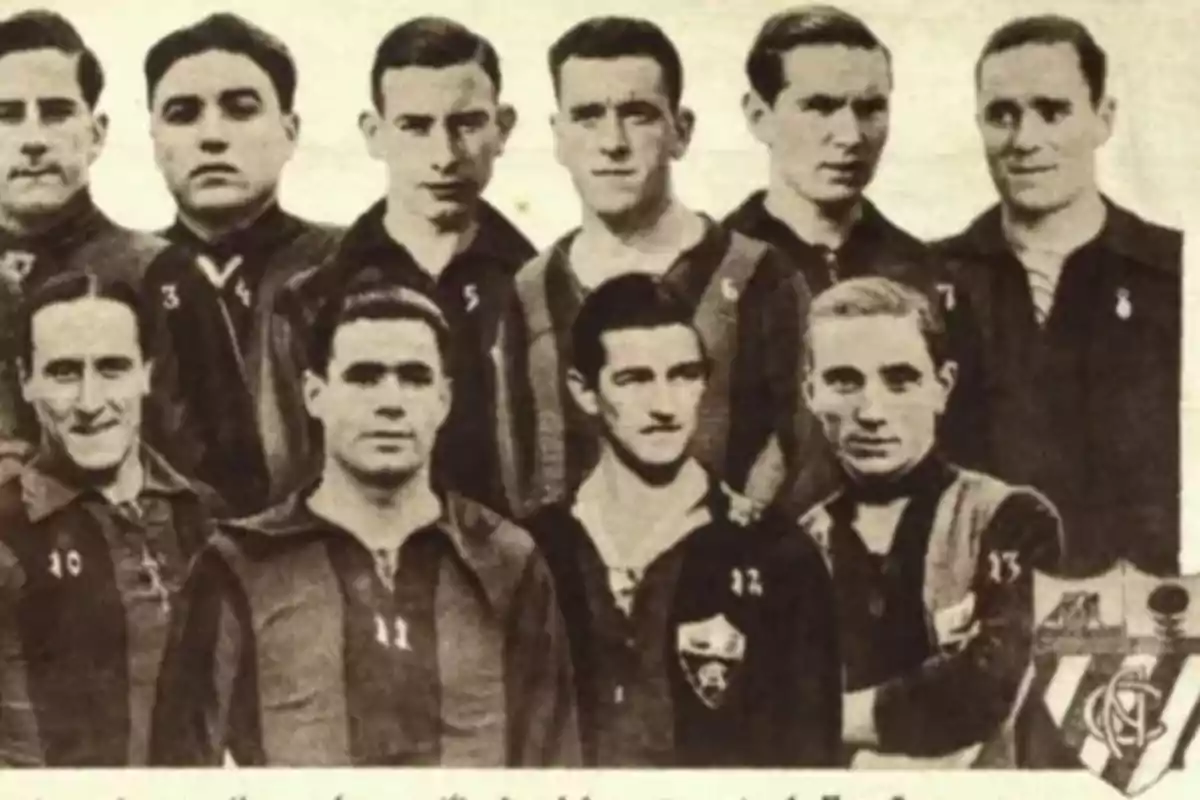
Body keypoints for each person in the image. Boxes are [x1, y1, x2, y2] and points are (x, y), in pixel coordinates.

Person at [150, 280, 578, 767]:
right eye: (364, 377)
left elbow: (552, 765)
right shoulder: (239, 561)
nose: (390, 402)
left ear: (444, 400)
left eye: (414, 378)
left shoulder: (506, 558)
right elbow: (178, 771)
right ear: (314, 394)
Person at [496, 16, 819, 521]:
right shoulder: (531, 290)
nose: (613, 142)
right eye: (587, 116)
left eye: (638, 114)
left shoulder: (761, 276)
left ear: (681, 131)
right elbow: (517, 469)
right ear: (558, 137)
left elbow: (802, 453)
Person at [523, 274, 839, 766]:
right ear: (584, 392)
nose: (665, 406)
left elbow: (808, 759)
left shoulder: (776, 553)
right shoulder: (532, 550)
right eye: (635, 380)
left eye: (684, 375)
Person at [935, 15, 1182, 577]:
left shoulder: (1175, 272)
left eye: (1053, 111)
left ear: (1104, 118)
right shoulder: (927, 278)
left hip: (1152, 617)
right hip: (974, 616)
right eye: (1003, 115)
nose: (1025, 140)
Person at [267, 17, 534, 512]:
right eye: (415, 126)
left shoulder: (539, 292)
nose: (444, 156)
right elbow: (288, 487)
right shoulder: (311, 299)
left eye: (467, 124)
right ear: (375, 134)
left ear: (503, 128)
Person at [725, 5, 989, 500]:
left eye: (870, 108)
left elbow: (970, 459)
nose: (849, 136)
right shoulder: (710, 271)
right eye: (819, 106)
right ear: (759, 116)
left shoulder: (933, 277)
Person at [798, 276, 1061, 768]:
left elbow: (986, 689)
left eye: (900, 380)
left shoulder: (1010, 518)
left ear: (943, 387)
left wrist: (811, 717)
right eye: (844, 381)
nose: (872, 412)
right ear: (811, 393)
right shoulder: (794, 544)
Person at [0, 272, 219, 766]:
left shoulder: (205, 519)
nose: (90, 403)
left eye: (112, 369)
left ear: (146, 373)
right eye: (62, 372)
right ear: (26, 380)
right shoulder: (7, 528)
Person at [140, 13, 343, 514]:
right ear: (155, 139)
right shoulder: (119, 274)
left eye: (240, 109)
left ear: (290, 131)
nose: (211, 136)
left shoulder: (350, 264)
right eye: (183, 113)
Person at [0, 10, 165, 444]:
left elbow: (222, 477)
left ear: (96, 134)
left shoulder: (155, 270)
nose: (33, 139)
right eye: (7, 114)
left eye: (56, 113)